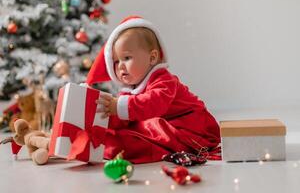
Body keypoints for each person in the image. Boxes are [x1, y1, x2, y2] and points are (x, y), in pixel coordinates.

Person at [86, 16, 220, 163]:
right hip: (165, 128)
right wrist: (106, 117)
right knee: (122, 132)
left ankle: (130, 147)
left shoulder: (165, 80)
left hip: (190, 128)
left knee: (150, 126)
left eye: (127, 58)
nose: (120, 66)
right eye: (116, 61)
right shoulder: (129, 91)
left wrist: (118, 106)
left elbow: (154, 103)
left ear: (152, 58)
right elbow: (124, 118)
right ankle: (114, 143)